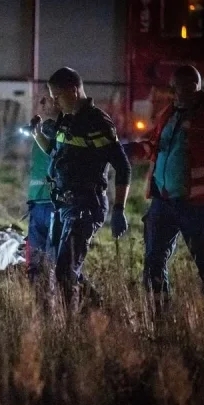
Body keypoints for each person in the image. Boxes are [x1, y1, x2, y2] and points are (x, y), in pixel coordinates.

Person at [123, 65, 204, 328]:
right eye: (180, 87)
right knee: (153, 262)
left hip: (198, 206)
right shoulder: (169, 114)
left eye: (191, 86)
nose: (185, 92)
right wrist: (130, 149)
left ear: (198, 86)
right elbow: (154, 145)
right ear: (173, 88)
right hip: (164, 203)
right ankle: (161, 321)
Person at [32, 67, 131, 313]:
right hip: (66, 205)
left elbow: (123, 167)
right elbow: (56, 152)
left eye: (58, 96)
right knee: (65, 268)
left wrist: (119, 208)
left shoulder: (97, 121)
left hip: (88, 205)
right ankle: (101, 314)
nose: (55, 102)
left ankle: (75, 328)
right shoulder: (67, 119)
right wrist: (37, 135)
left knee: (65, 271)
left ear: (74, 91)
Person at [25, 111, 56, 285]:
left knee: (39, 260)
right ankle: (47, 299)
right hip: (48, 205)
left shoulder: (39, 143)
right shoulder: (57, 142)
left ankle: (42, 298)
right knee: (51, 259)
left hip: (40, 204)